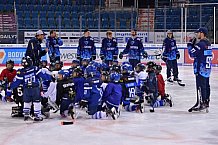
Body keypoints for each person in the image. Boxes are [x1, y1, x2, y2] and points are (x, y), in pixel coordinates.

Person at [7, 56, 52, 121]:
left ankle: (26, 114)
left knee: (27, 101)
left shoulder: (21, 72)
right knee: (37, 102)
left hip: (26, 89)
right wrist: (50, 78)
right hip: (35, 89)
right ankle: (37, 115)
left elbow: (16, 82)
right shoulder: (35, 69)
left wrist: (10, 87)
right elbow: (43, 76)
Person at [187, 27, 212, 111]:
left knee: (200, 86)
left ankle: (201, 103)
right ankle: (206, 102)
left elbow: (192, 54)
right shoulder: (208, 43)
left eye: (198, 33)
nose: (197, 34)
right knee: (206, 86)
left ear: (202, 33)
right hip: (207, 69)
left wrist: (190, 45)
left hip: (200, 69)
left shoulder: (201, 44)